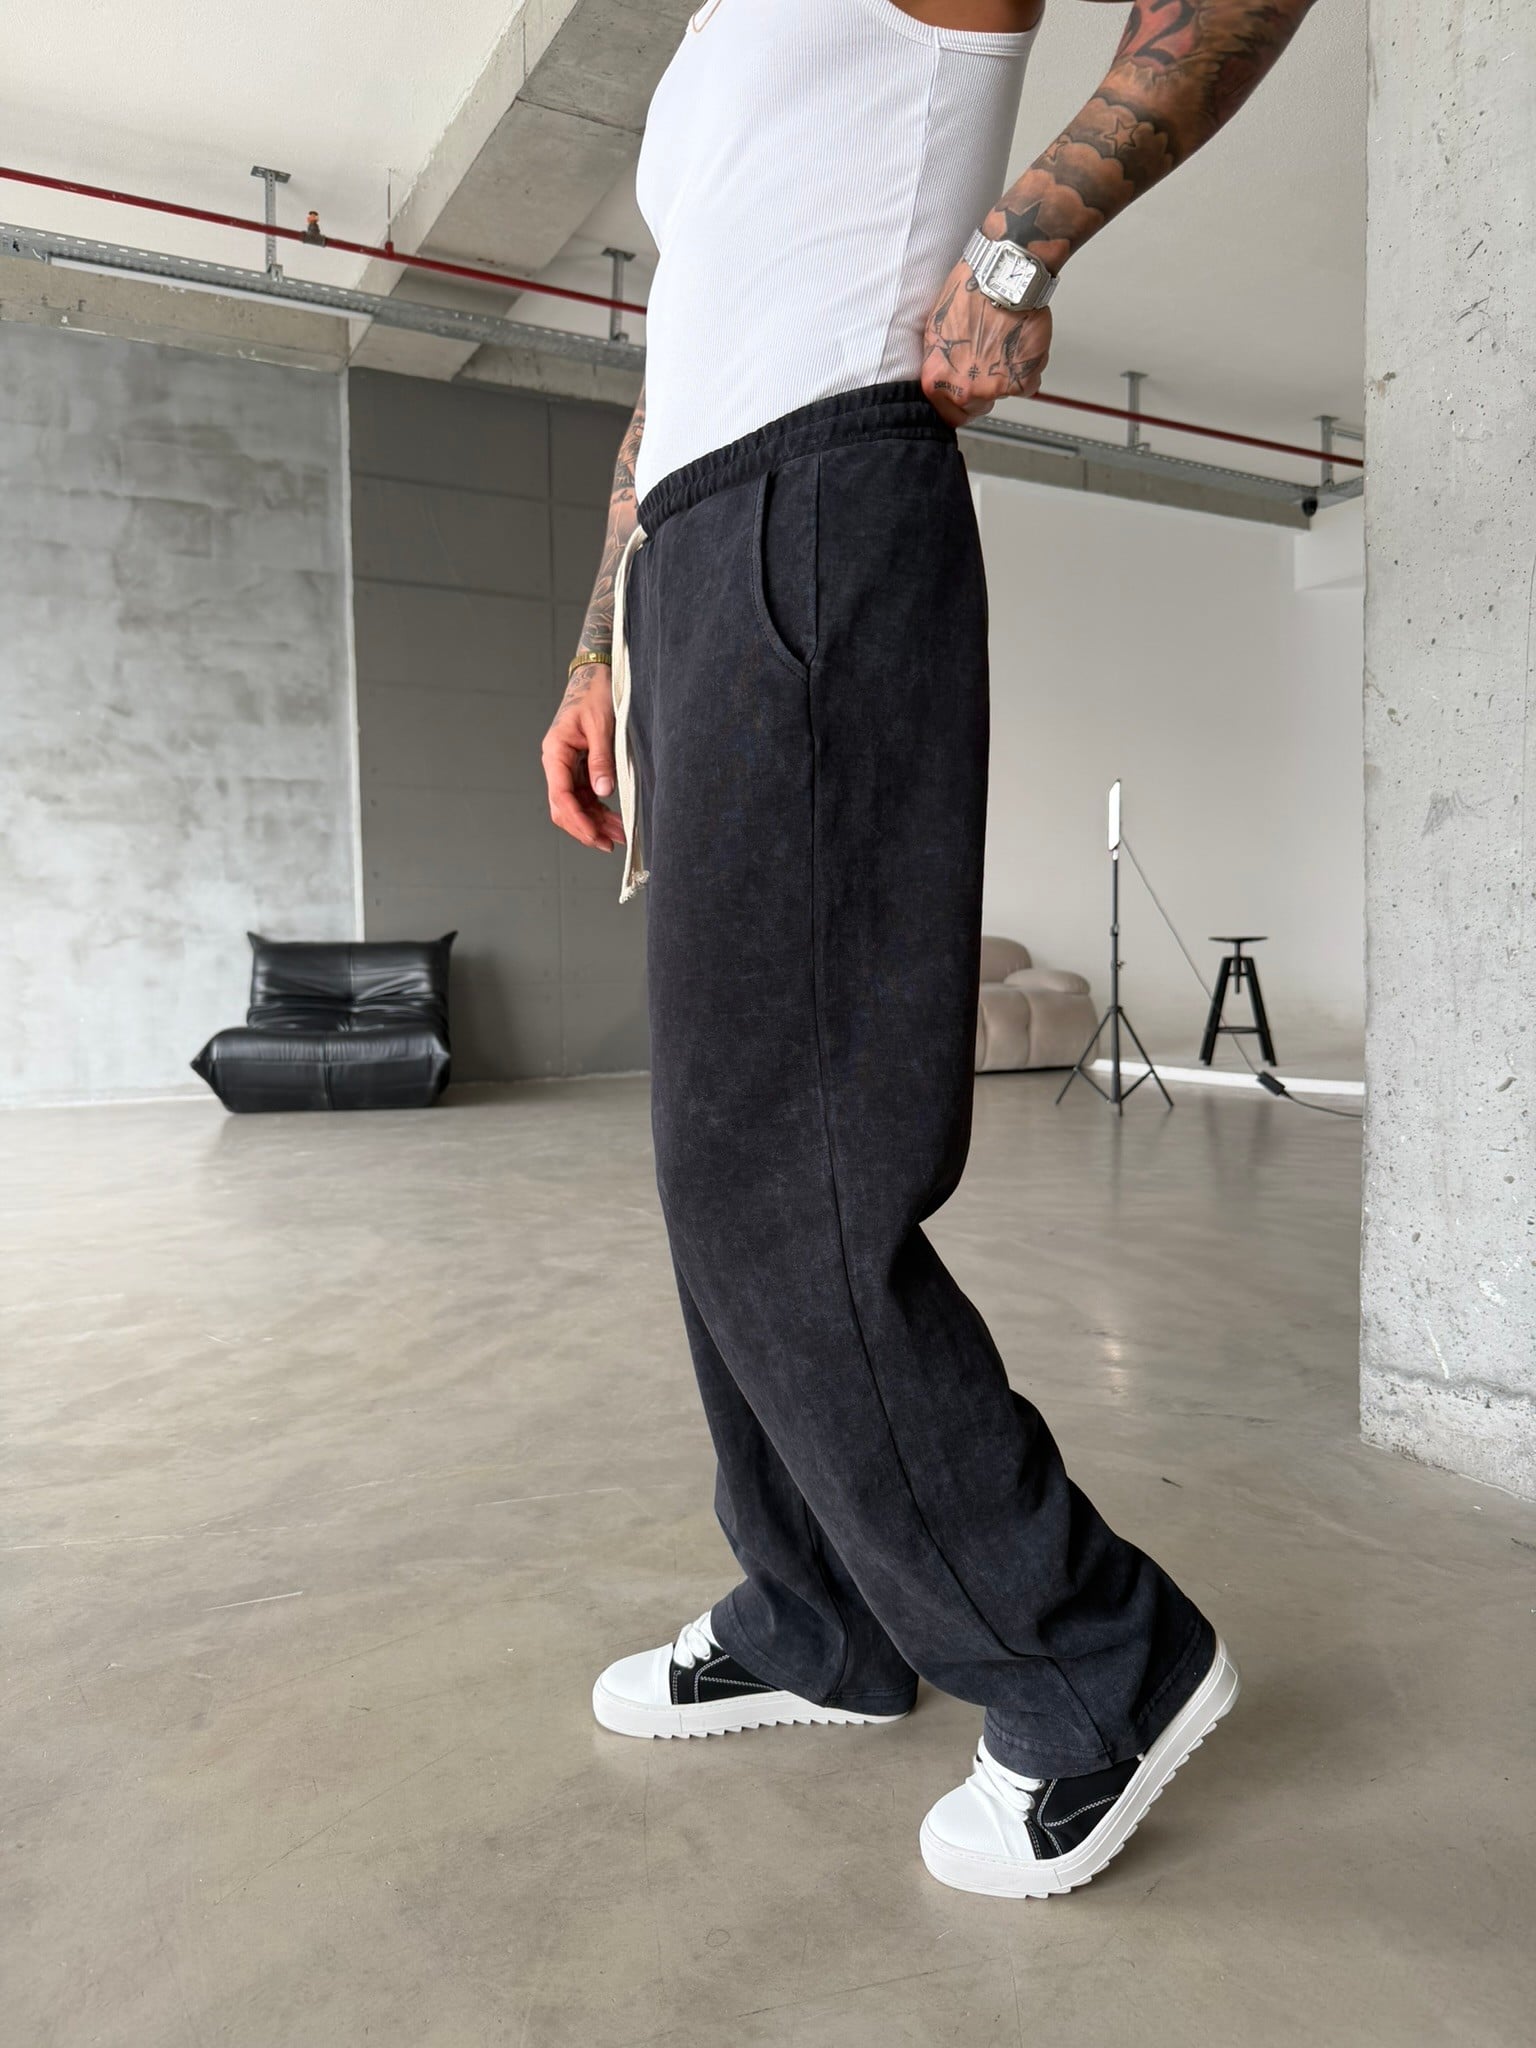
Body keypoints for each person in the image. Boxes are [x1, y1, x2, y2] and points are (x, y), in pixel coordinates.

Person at [542, 0, 1317, 1900]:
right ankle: (817, 1613)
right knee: (715, 1164)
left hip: (821, 499)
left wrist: (1020, 245)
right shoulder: (713, 53)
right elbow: (683, 346)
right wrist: (602, 642)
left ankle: (1093, 1659)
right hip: (702, 550)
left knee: (795, 1169)